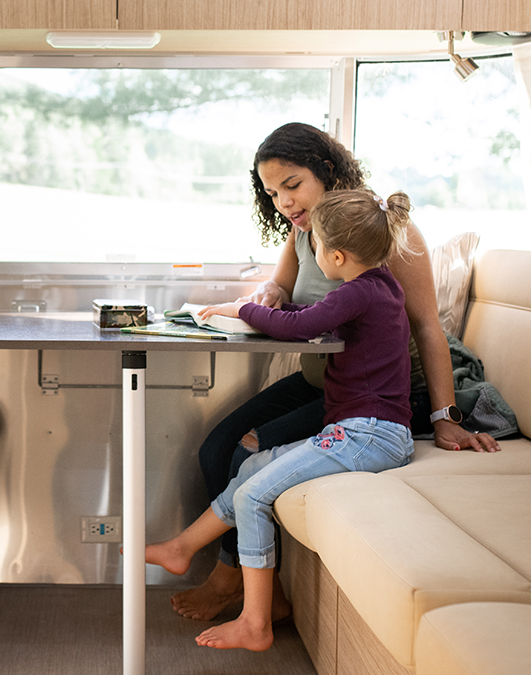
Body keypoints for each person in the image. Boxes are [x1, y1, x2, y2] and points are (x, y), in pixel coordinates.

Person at [171, 123, 501, 623]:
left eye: (292, 185)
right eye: (272, 192)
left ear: (326, 170)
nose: (283, 201)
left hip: (375, 391)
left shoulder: (386, 232)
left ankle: (230, 580)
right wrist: (271, 295)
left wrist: (445, 416)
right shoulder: (304, 232)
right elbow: (279, 288)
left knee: (247, 449)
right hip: (320, 380)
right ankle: (261, 589)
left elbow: (428, 326)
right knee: (215, 446)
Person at [146, 188, 418, 651]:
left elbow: (301, 326)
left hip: (369, 435)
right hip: (361, 431)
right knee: (252, 467)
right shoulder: (379, 286)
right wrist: (269, 310)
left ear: (334, 254)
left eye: (314, 246)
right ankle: (181, 548)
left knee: (252, 494)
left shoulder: (359, 292)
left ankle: (255, 623)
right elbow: (310, 316)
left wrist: (242, 310)